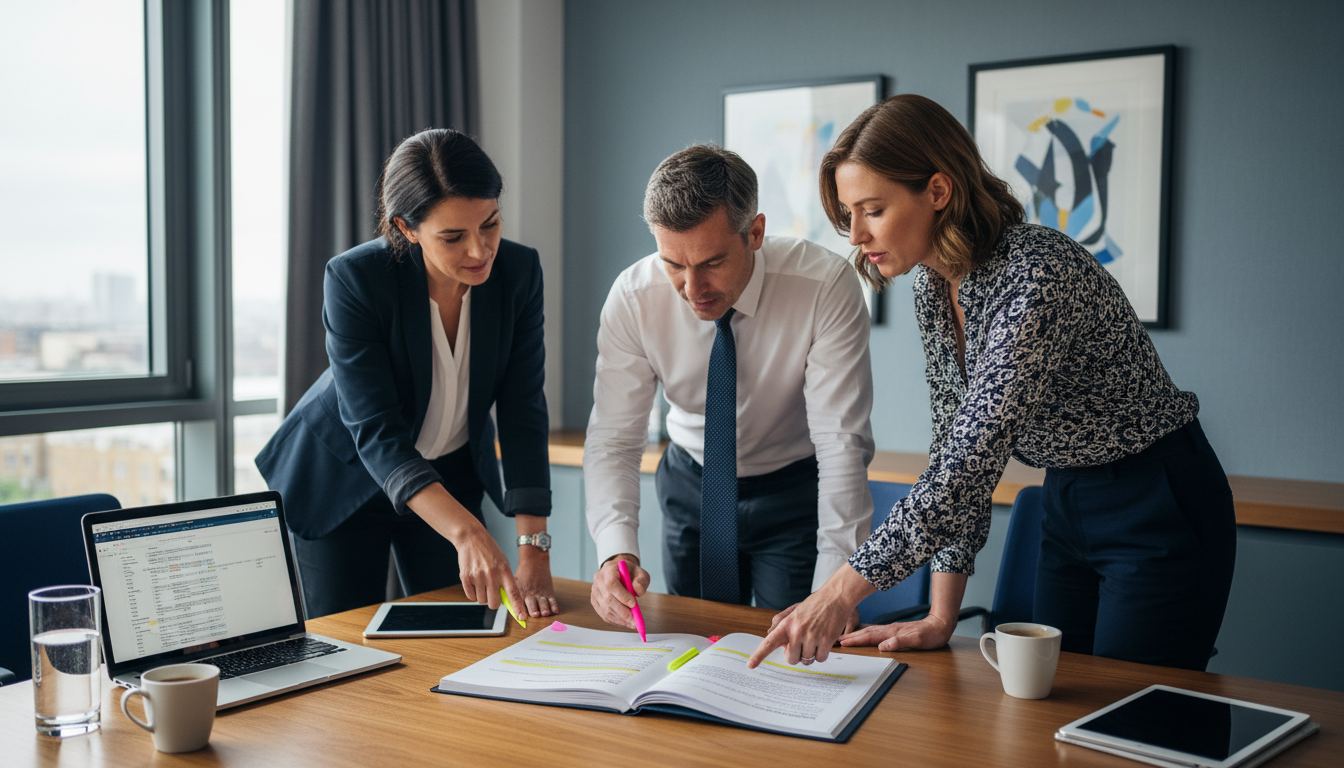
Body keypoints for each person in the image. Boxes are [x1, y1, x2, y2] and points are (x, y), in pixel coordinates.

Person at [748, 94, 1235, 671]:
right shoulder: (934, 286)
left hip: (1156, 497)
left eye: (872, 210)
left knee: (1137, 716)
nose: (855, 235)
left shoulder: (1037, 275)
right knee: (1051, 704)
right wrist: (939, 615)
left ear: (937, 190)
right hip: (1067, 497)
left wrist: (838, 592)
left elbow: (970, 461)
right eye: (848, 213)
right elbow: (956, 448)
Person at [256, 129, 558, 620]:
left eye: (490, 224)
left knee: (462, 635)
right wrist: (469, 532)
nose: (480, 251)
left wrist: (534, 549)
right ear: (407, 227)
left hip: (449, 476)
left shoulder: (519, 272)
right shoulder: (357, 278)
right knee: (344, 649)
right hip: (345, 479)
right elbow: (375, 429)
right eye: (453, 237)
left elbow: (524, 409)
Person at [585, 144, 875, 629]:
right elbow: (614, 439)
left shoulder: (824, 286)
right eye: (673, 264)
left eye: (712, 262)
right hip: (690, 483)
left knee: (795, 652)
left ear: (755, 233)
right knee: (692, 641)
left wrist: (833, 592)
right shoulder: (634, 298)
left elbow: (841, 443)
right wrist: (614, 552)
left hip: (790, 490)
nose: (692, 288)